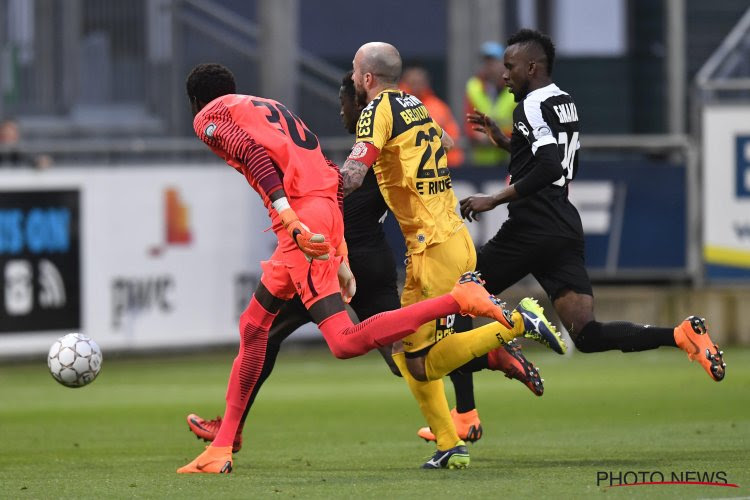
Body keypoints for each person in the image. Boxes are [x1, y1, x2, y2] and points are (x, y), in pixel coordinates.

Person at [176, 63, 544, 474]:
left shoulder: (211, 116)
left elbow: (257, 159)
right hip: (327, 216)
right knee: (257, 327)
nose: (343, 110)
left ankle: (465, 309)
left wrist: (294, 220)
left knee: (349, 343)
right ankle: (226, 439)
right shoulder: (268, 105)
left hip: (305, 223)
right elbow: (329, 174)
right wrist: (341, 250)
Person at [342, 42, 565, 470]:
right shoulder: (413, 103)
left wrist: (310, 193)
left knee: (423, 360)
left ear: (367, 78)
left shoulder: (375, 112)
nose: (353, 80)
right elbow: (443, 141)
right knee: (411, 359)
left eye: (355, 72)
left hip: (433, 246)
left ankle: (518, 323)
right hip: (444, 238)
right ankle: (450, 444)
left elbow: (353, 175)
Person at [460, 29, 726, 383]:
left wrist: (493, 199)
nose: (504, 75)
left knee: (459, 296)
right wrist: (508, 142)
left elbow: (550, 166)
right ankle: (680, 335)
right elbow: (552, 160)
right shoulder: (563, 100)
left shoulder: (530, 105)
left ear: (533, 67)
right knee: (586, 334)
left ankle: (472, 398)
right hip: (563, 226)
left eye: (511, 67)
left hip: (531, 226)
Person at [399, 65, 464, 167]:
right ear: (404, 83)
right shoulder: (395, 105)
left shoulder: (439, 107)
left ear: (426, 83)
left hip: (437, 166)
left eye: (420, 82)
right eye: (412, 82)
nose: (416, 86)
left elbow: (453, 138)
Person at [464, 41, 515, 167]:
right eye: (486, 62)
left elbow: (521, 123)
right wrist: (475, 134)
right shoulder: (473, 86)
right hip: (483, 160)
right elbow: (468, 120)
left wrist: (498, 135)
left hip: (510, 157)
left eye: (493, 61)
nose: (489, 66)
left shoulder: (516, 86)